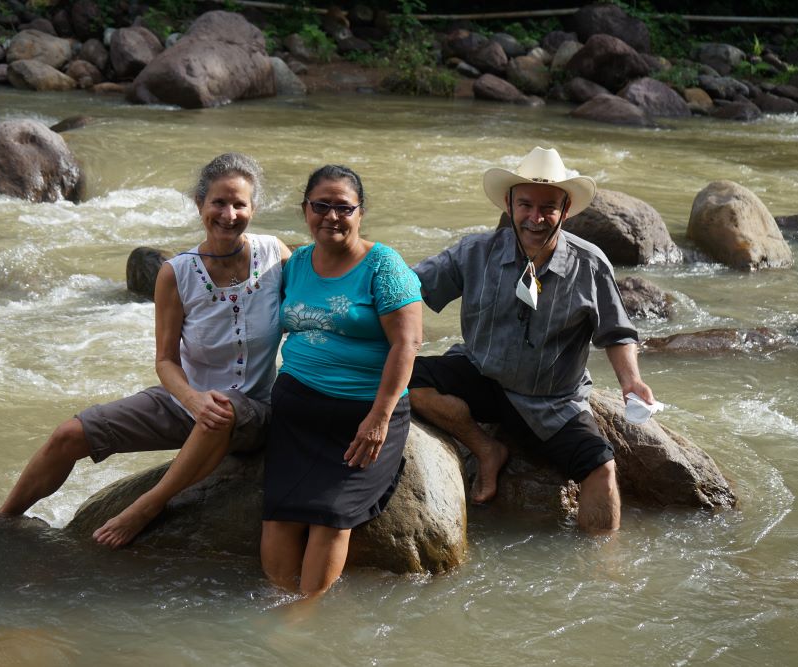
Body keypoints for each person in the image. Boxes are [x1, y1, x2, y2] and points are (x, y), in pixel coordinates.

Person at [0, 152, 290, 546]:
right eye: (218, 203)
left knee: (220, 411)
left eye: (239, 204)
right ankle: (4, 514)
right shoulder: (177, 273)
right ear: (199, 205)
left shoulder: (274, 254)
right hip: (185, 402)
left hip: (251, 412)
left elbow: (312, 309)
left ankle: (148, 505)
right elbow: (165, 361)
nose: (229, 214)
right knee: (69, 434)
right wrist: (191, 400)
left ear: (253, 208)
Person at [407, 146, 656, 533]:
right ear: (509, 204)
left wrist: (631, 382)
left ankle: (603, 574)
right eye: (525, 205)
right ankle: (487, 449)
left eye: (548, 208)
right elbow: (409, 287)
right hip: (482, 373)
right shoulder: (476, 251)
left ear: (566, 209)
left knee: (602, 471)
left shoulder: (589, 264)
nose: (535, 218)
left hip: (553, 400)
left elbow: (617, 332)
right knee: (406, 379)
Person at [259, 165, 423, 598]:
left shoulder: (383, 266)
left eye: (343, 208)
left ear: (360, 213)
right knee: (280, 513)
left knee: (332, 515)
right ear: (305, 210)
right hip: (298, 410)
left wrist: (379, 418)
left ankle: (304, 616)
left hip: (362, 412)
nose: (331, 216)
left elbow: (407, 345)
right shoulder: (295, 263)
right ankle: (277, 602)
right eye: (321, 206)